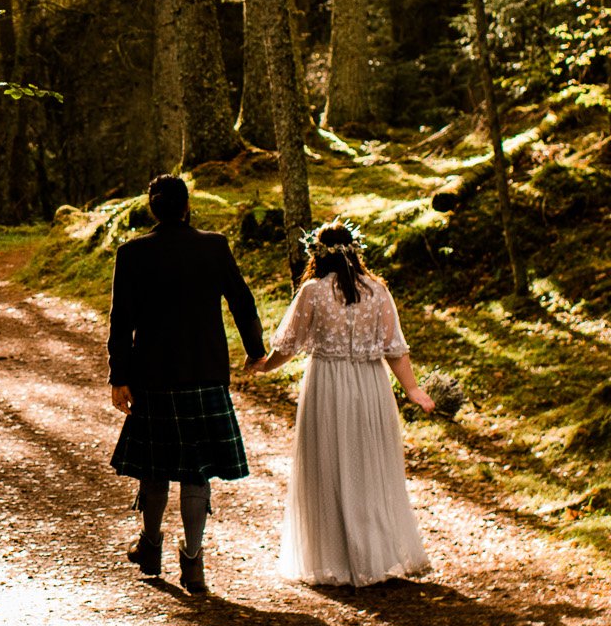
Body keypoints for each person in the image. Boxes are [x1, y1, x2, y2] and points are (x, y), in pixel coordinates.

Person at [243, 220, 435, 586]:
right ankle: (375, 555)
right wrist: (412, 389)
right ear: (355, 251)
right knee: (369, 466)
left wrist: (266, 365)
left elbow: (289, 344)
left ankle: (337, 557)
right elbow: (394, 348)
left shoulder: (312, 291)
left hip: (327, 384)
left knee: (329, 466)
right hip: (371, 384)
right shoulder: (378, 291)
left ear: (316, 255)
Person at [107, 173, 266, 595]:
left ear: (152, 209)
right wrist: (255, 348)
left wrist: (119, 377)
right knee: (196, 473)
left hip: (153, 375)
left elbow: (120, 322)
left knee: (154, 468)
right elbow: (242, 300)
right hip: (204, 371)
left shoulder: (132, 253)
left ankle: (151, 546)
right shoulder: (213, 246)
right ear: (186, 206)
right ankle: (193, 563)